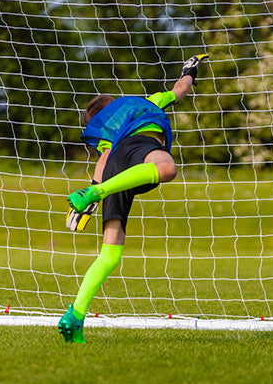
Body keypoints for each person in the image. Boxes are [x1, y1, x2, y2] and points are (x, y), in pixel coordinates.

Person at [58, 54, 210, 343]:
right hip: (139, 147)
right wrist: (190, 70)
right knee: (167, 168)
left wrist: (91, 196)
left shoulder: (107, 133)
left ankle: (76, 314)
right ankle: (98, 192)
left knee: (109, 254)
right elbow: (180, 89)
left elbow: (104, 158)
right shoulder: (145, 103)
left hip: (114, 170)